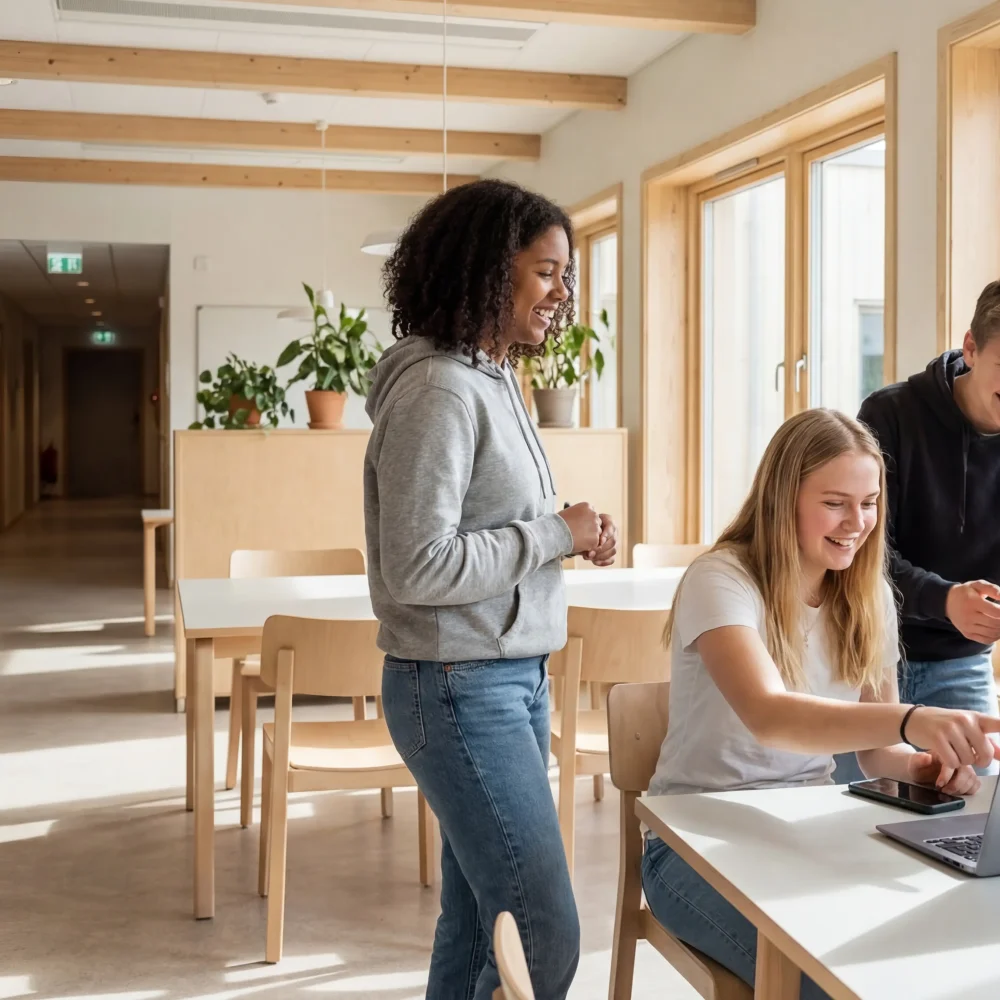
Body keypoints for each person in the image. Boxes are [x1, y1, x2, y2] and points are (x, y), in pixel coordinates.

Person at [643, 408, 1000, 999]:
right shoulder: (721, 579)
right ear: (783, 499)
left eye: (870, 503)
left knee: (922, 958)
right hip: (690, 845)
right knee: (828, 985)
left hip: (804, 829)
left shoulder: (867, 594)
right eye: (835, 503)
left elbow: (877, 753)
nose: (857, 523)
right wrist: (912, 720)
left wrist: (921, 766)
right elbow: (770, 715)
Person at [363, 178, 618, 1000]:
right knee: (544, 933)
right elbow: (419, 565)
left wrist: (570, 534)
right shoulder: (438, 390)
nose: (562, 292)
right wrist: (553, 536)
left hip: (506, 675)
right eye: (545, 272)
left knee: (481, 921)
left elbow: (490, 524)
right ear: (484, 270)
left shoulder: (493, 376)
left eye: (565, 274)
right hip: (458, 684)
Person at [834, 280, 1000, 783]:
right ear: (970, 348)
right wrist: (945, 600)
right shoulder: (889, 415)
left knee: (971, 807)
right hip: (863, 654)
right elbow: (859, 553)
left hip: (960, 665)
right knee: (847, 807)